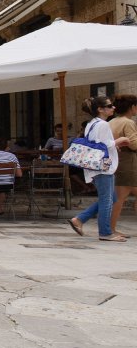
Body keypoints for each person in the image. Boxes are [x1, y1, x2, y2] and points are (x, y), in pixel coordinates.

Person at [68, 96, 127, 242]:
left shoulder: (91, 123)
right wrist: (121, 140)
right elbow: (105, 144)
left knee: (110, 198)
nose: (113, 108)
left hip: (95, 165)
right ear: (100, 109)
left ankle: (79, 220)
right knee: (107, 200)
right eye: (109, 106)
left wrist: (114, 145)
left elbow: (97, 143)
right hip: (103, 166)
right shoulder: (103, 124)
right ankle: (105, 232)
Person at [108, 95, 137, 236]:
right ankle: (111, 229)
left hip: (116, 161)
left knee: (119, 197)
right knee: (120, 198)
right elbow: (133, 144)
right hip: (127, 162)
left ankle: (111, 228)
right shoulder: (128, 123)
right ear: (132, 107)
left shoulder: (112, 121)